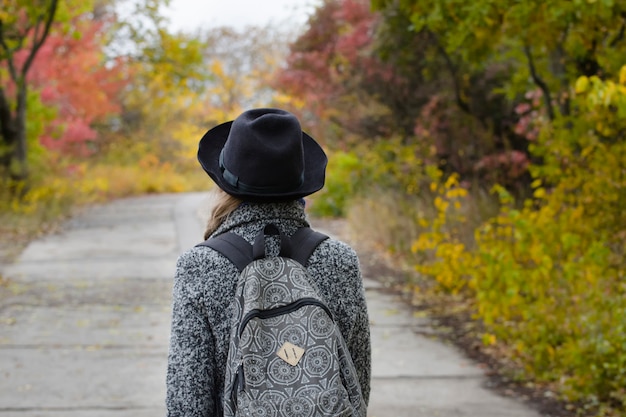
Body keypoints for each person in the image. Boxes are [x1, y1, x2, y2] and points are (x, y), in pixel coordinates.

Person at [165, 108, 371, 416]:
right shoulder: (340, 260)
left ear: (225, 183)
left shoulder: (199, 266)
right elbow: (356, 384)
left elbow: (187, 403)